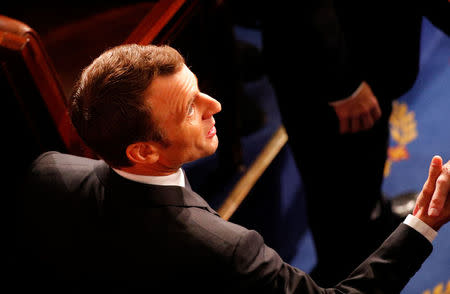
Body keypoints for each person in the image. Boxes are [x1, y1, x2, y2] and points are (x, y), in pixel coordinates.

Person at [14, 44, 450, 293]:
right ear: (143, 152)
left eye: (198, 88)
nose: (215, 105)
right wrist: (426, 222)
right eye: (190, 108)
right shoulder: (227, 249)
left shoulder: (48, 171)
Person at [260, 0, 450, 286]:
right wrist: (343, 85)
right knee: (332, 185)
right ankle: (341, 273)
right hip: (324, 71)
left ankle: (372, 218)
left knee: (369, 150)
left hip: (372, 54)